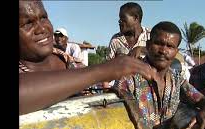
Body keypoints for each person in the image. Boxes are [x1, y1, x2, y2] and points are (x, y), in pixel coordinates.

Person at [19, 0, 157, 115]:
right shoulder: (114, 41)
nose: (42, 29)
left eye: (43, 17)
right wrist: (103, 71)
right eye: (27, 23)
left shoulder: (68, 61)